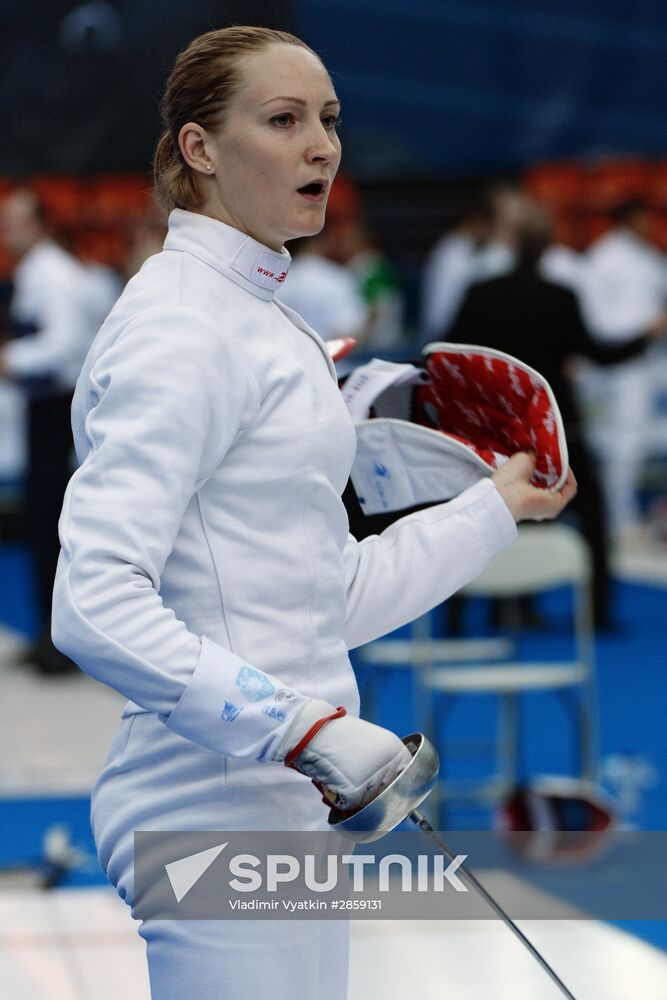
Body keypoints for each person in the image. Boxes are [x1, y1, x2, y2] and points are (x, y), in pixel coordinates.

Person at [50, 27, 576, 1000]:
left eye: (328, 120)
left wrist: (494, 507)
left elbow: (318, 600)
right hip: (209, 807)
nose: (320, 147)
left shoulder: (267, 321)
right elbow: (92, 605)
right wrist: (299, 728)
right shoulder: (180, 329)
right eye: (283, 120)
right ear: (201, 147)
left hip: (288, 801)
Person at [447, 203, 665, 628]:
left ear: (510, 242)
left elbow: (452, 353)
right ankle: (597, 612)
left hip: (495, 427)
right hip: (554, 428)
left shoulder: (480, 293)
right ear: (547, 247)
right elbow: (599, 354)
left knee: (478, 507)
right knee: (592, 514)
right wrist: (646, 337)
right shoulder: (560, 296)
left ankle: (465, 617)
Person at [0, 189, 113, 673]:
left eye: (16, 221)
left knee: (49, 521)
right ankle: (46, 632)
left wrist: (12, 359)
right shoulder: (35, 272)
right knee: (39, 521)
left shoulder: (52, 274)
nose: (7, 231)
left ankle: (59, 642)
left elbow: (67, 343)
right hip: (42, 406)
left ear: (41, 224)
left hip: (57, 409)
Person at [578, 198, 667, 541]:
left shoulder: (648, 257)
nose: (651, 225)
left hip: (647, 362)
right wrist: (646, 326)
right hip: (615, 368)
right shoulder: (603, 259)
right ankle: (618, 518)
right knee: (620, 444)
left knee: (640, 440)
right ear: (630, 219)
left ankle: (633, 513)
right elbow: (598, 321)